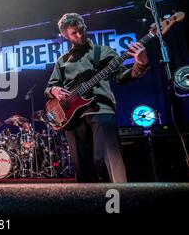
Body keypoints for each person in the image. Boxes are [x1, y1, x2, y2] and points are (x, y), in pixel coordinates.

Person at [44, 13, 149, 183]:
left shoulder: (104, 51)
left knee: (110, 162)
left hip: (102, 110)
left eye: (81, 30)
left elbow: (122, 77)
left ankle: (118, 204)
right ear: (65, 36)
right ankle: (90, 205)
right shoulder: (62, 61)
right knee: (83, 168)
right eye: (74, 33)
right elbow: (49, 88)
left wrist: (140, 64)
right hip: (72, 118)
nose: (80, 35)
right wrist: (54, 90)